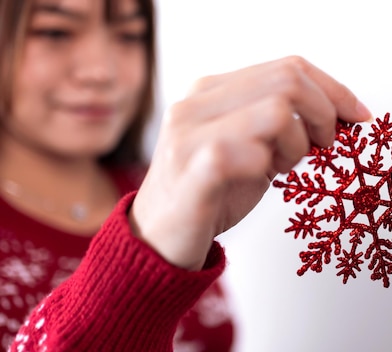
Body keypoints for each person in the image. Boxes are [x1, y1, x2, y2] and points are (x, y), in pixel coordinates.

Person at [0, 0, 371, 351]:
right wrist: (142, 255)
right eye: (55, 32)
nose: (103, 71)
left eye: (130, 35)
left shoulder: (157, 187)